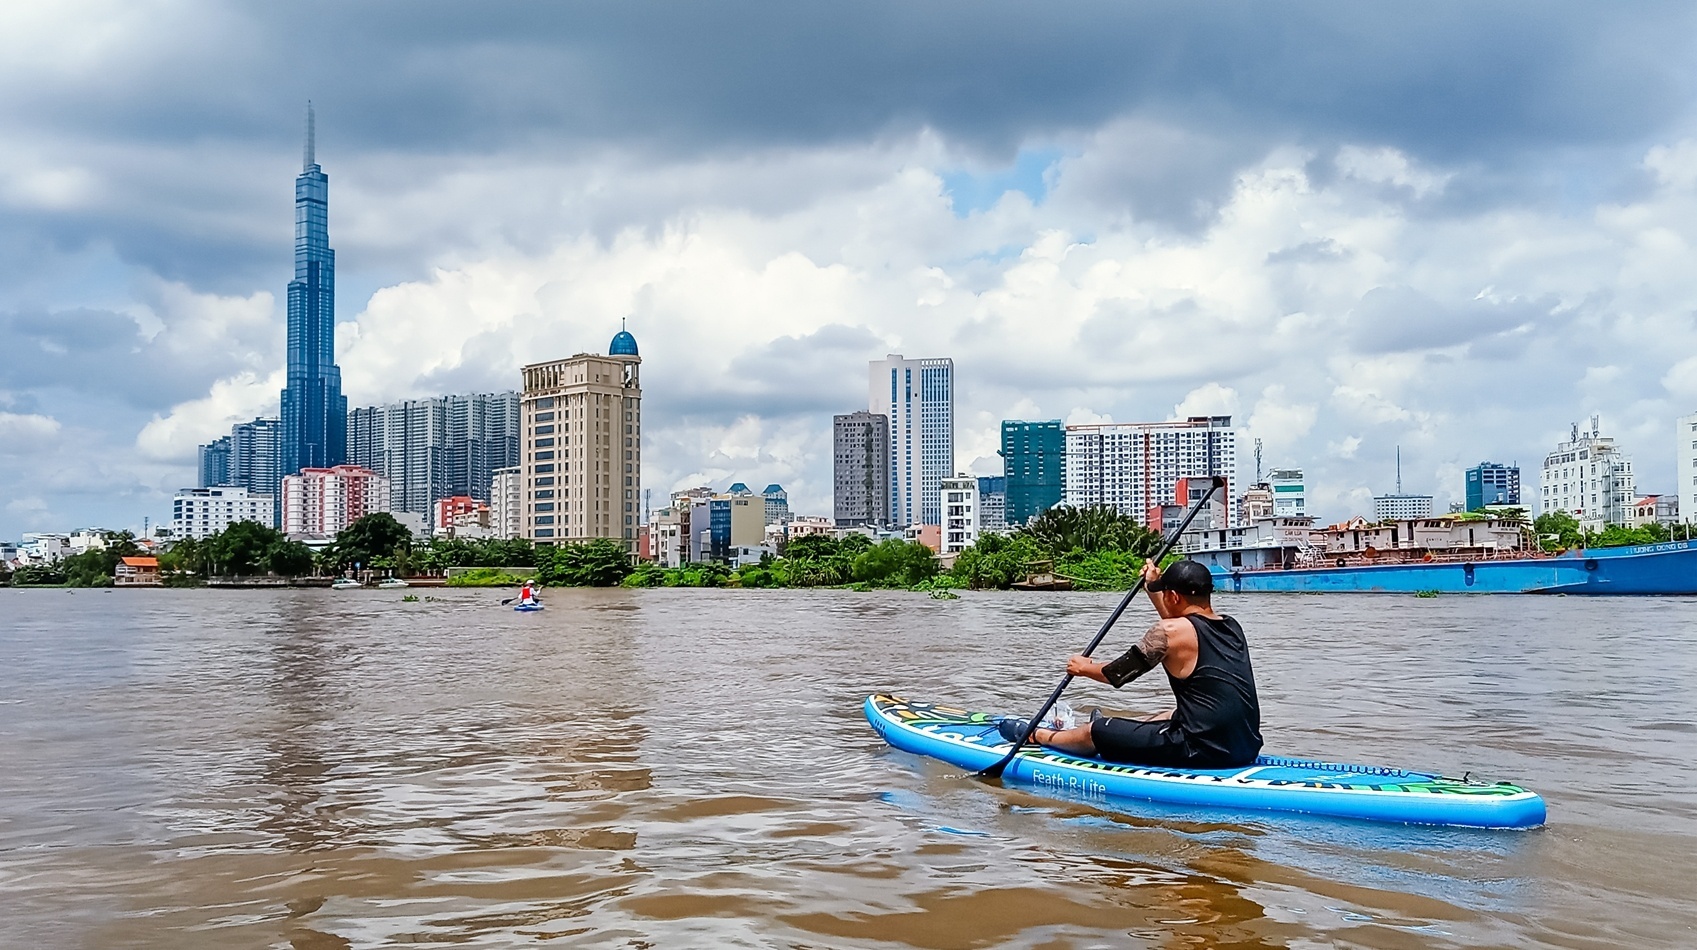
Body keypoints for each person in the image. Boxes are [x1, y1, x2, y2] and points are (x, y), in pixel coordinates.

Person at [998, 557, 1262, 769]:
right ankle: (1122, 733)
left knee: (1097, 730)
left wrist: (1083, 667)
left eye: (1165, 593)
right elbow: (1178, 625)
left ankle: (1037, 735)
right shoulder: (1231, 626)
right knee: (1168, 715)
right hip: (1246, 746)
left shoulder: (1170, 631)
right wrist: (1153, 587)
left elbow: (1117, 674)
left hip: (1203, 751)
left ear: (1173, 597)